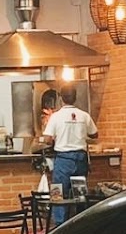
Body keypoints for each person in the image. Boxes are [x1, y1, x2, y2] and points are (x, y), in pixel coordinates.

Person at [41, 85, 99, 226]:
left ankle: (59, 225)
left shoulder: (55, 116)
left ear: (61, 98)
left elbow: (47, 139)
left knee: (58, 194)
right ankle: (80, 224)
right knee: (80, 195)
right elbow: (94, 134)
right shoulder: (84, 115)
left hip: (63, 161)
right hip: (80, 160)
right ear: (75, 98)